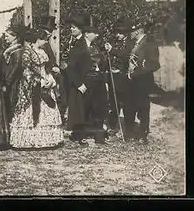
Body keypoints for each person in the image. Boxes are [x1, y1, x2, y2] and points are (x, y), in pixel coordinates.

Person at [9, 28, 64, 149]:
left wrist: (50, 77)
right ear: (37, 40)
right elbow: (26, 71)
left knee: (48, 106)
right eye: (43, 40)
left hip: (45, 81)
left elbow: (46, 67)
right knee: (30, 108)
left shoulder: (43, 52)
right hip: (32, 84)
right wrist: (39, 81)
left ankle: (46, 140)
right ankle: (29, 140)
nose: (45, 42)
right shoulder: (27, 52)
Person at [66, 15, 107, 145]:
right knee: (82, 111)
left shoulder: (96, 47)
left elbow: (102, 64)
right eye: (95, 33)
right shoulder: (78, 47)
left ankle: (99, 137)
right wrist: (79, 84)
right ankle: (80, 136)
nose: (97, 36)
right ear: (87, 33)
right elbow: (71, 68)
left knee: (98, 109)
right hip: (85, 83)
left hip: (97, 83)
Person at [122, 21, 160, 144]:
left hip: (143, 81)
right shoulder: (133, 44)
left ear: (138, 31)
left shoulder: (149, 44)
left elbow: (155, 64)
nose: (129, 34)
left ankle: (143, 134)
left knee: (143, 108)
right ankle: (130, 133)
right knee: (129, 106)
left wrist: (140, 70)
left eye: (131, 32)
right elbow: (126, 56)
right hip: (131, 81)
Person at [104, 17, 135, 136]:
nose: (117, 35)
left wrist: (112, 51)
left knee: (126, 103)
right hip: (113, 76)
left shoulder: (131, 43)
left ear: (126, 33)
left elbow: (126, 56)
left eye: (120, 33)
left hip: (124, 77)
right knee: (113, 102)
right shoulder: (114, 42)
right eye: (116, 32)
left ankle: (128, 130)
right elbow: (108, 57)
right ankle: (113, 126)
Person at [38, 16, 67, 123]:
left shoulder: (47, 43)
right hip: (44, 74)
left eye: (50, 31)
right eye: (47, 31)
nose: (49, 33)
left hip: (51, 74)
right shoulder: (41, 45)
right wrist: (52, 68)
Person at [1, 25, 24, 122]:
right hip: (8, 79)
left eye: (7, 36)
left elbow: (16, 67)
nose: (5, 39)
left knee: (12, 103)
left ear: (15, 37)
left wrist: (7, 82)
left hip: (14, 81)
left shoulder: (17, 50)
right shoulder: (10, 49)